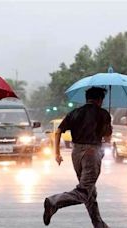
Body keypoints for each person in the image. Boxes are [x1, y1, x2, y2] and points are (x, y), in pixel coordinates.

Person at [43, 87, 112, 228]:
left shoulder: (74, 113)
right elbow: (107, 136)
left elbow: (58, 132)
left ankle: (99, 224)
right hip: (91, 153)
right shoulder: (103, 114)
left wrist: (57, 153)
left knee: (90, 192)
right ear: (100, 100)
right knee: (84, 191)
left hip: (76, 153)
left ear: (87, 98)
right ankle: (54, 201)